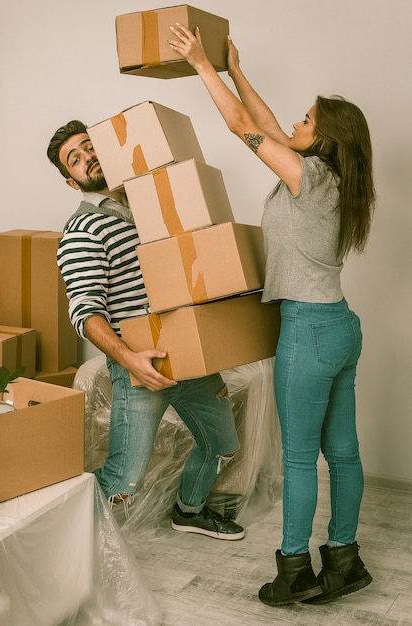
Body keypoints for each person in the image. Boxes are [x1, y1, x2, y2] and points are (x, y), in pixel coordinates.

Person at [168, 25, 375, 605]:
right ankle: (344, 560)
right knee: (345, 453)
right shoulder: (333, 178)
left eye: (307, 120)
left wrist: (199, 66)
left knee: (301, 460)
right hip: (339, 327)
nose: (296, 124)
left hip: (308, 332)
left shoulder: (306, 177)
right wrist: (235, 69)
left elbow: (242, 129)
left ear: (324, 138)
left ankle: (292, 571)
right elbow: (266, 128)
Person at [47, 119, 245, 540]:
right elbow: (85, 311)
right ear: (71, 181)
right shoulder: (83, 231)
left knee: (224, 446)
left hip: (192, 358)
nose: (88, 159)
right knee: (122, 482)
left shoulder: (154, 205)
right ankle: (62, 543)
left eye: (89, 147)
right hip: (140, 368)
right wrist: (130, 361)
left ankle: (189, 511)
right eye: (75, 160)